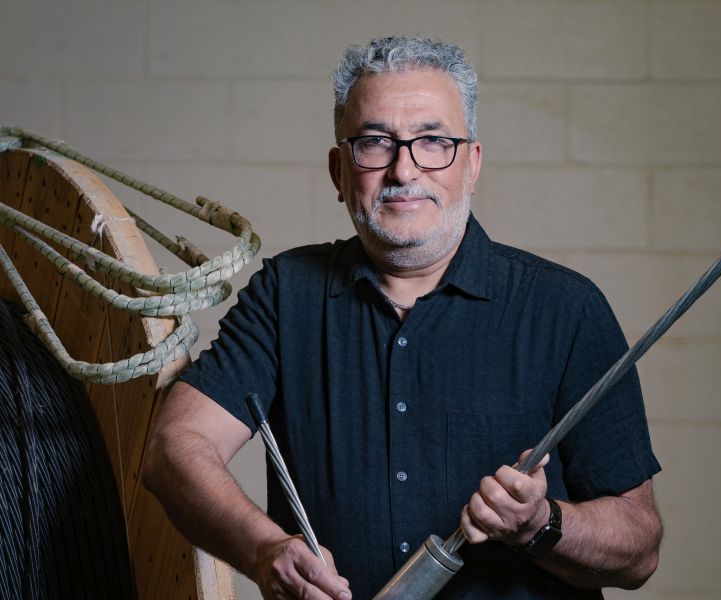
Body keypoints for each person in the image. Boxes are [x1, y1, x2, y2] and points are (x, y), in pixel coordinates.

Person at [143, 36, 663, 600]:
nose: (403, 169)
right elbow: (176, 445)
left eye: (434, 141)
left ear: (472, 164)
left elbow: (638, 549)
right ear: (339, 171)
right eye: (375, 143)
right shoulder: (285, 294)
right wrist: (264, 549)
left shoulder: (566, 309)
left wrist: (540, 524)